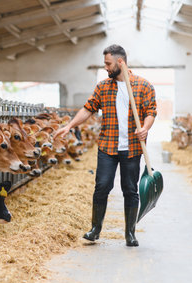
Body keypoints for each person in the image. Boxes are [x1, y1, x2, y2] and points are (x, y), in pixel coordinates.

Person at [54, 44, 157, 247]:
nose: (106, 68)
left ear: (120, 62)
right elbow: (88, 109)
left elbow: (151, 112)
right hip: (108, 147)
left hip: (133, 148)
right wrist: (69, 126)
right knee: (102, 186)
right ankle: (95, 230)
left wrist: (145, 128)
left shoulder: (143, 86)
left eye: (108, 64)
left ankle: (130, 233)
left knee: (130, 189)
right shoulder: (103, 87)